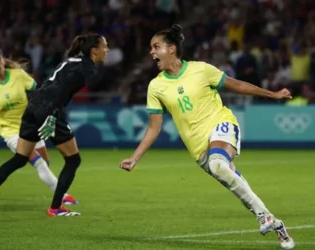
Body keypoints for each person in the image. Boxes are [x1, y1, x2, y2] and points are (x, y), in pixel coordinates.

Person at [119, 24, 295, 249]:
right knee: (233, 181)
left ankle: (266, 218)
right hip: (198, 147)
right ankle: (273, 221)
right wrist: (135, 157)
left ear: (171, 49)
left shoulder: (200, 69)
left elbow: (236, 84)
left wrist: (271, 94)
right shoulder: (156, 86)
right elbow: (154, 127)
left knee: (219, 164)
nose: (151, 52)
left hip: (221, 124)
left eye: (156, 47)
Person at [0, 35, 108, 216]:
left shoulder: (73, 60)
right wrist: (53, 115)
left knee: (19, 159)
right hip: (48, 109)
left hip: (33, 106)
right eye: (105, 46)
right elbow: (62, 91)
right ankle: (55, 207)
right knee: (73, 160)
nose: (107, 50)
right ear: (94, 50)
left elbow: (49, 86)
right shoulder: (86, 68)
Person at [0, 44, 77, 210]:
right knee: (39, 163)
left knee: (45, 162)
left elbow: (38, 91)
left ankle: (57, 192)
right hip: (11, 132)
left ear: (3, 60)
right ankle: (62, 197)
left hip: (30, 124)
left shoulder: (18, 75)